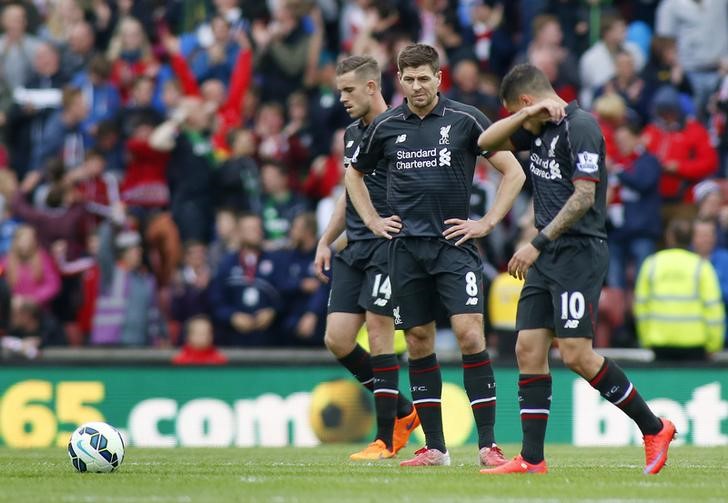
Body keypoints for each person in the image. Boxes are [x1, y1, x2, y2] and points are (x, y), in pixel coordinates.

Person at [477, 63, 676, 475]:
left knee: (576, 355)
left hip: (578, 252)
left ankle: (655, 428)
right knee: (527, 348)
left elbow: (585, 196)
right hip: (547, 256)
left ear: (528, 100)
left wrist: (536, 243)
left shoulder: (581, 126)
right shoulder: (537, 129)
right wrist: (522, 116)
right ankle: (532, 459)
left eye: (517, 109)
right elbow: (484, 142)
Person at [347, 44, 525, 467]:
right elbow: (353, 173)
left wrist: (486, 223)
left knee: (470, 335)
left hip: (454, 247)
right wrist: (373, 221)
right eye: (407, 79)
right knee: (418, 340)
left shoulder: (465, 120)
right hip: (405, 251)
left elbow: (514, 171)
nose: (416, 86)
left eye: (423, 78)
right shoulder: (386, 125)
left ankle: (488, 446)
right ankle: (436, 448)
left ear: (438, 78)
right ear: (399, 80)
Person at [314, 55, 419, 461]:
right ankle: (404, 412)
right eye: (339, 90)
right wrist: (326, 240)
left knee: (378, 333)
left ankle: (385, 438)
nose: (342, 98)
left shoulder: (401, 130)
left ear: (372, 87)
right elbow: (348, 190)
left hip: (387, 247)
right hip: (353, 248)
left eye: (348, 90)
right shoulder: (352, 135)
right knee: (337, 340)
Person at [635, 219, 725, 360]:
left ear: (669, 237)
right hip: (695, 345)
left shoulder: (651, 264)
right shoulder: (702, 266)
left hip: (659, 343)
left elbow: (641, 307)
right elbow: (713, 309)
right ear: (691, 238)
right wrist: (714, 344)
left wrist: (646, 339)